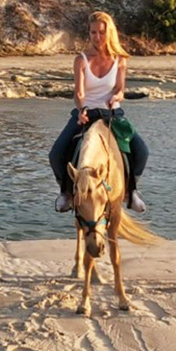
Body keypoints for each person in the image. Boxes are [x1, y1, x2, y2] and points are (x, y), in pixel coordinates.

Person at [49, 11, 149, 213]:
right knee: (56, 153)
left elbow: (120, 90)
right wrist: (81, 109)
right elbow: (79, 92)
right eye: (93, 32)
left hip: (112, 113)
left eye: (101, 32)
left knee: (142, 151)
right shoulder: (81, 60)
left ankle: (132, 191)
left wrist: (117, 97)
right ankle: (65, 193)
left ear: (109, 33)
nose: (97, 37)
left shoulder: (120, 59)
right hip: (87, 113)